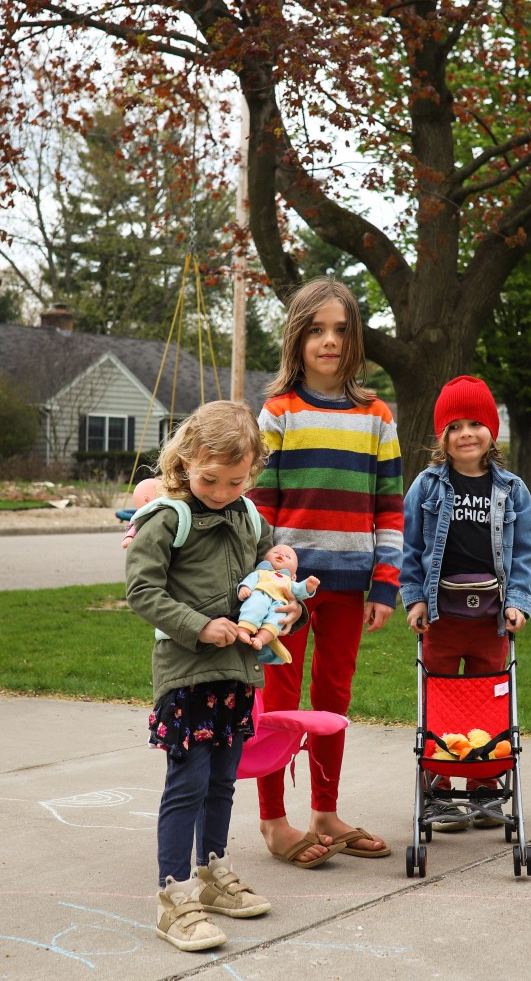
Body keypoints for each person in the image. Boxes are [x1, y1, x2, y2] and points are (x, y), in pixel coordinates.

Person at [125, 400, 306, 951]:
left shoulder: (249, 516)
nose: (223, 491)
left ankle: (212, 872)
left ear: (252, 470)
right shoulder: (168, 518)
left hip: (237, 673)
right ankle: (173, 896)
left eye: (236, 480)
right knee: (187, 786)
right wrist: (199, 627)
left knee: (223, 781)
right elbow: (142, 590)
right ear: (184, 462)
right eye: (210, 479)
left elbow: (269, 577)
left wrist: (288, 608)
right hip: (186, 675)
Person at [249, 276, 404, 867]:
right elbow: (259, 506)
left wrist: (385, 583)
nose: (329, 341)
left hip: (348, 586)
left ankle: (324, 813)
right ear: (297, 337)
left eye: (340, 330)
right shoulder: (279, 412)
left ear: (355, 338)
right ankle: (273, 822)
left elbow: (390, 508)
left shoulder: (376, 416)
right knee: (279, 699)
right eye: (316, 330)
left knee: (333, 699)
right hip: (282, 595)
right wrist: (262, 582)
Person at [400, 375, 531, 831]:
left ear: (491, 432)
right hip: (440, 618)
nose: (466, 434)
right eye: (454, 426)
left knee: (487, 701)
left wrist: (518, 601)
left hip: (491, 620)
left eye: (475, 424)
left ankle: (485, 786)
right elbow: (410, 548)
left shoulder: (512, 489)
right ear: (441, 436)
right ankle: (438, 790)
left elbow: (524, 553)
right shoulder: (426, 486)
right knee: (439, 701)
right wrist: (414, 599)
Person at [237, 544, 319, 664]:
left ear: (294, 576)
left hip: (279, 605)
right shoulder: (261, 572)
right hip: (261, 594)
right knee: (255, 606)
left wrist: (308, 586)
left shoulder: (289, 581)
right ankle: (243, 630)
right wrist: (245, 587)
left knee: (278, 620)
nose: (281, 555)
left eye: (288, 557)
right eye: (276, 552)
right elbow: (250, 579)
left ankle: (261, 639)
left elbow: (299, 590)